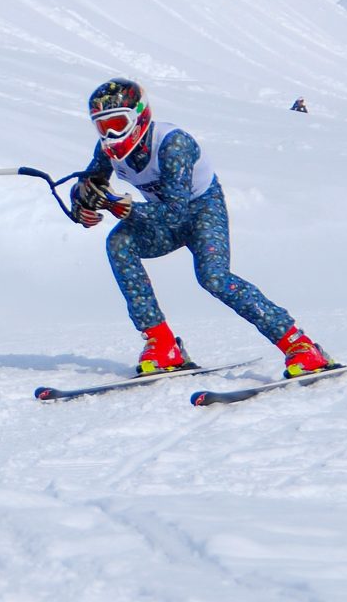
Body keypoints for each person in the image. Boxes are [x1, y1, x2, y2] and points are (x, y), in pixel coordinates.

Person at [69, 78, 332, 379]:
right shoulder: (106, 151)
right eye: (103, 127)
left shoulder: (173, 143)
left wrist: (122, 207)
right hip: (161, 217)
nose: (112, 135)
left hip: (201, 211)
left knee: (214, 278)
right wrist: (83, 205)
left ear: (139, 116)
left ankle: (300, 346)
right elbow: (91, 181)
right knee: (119, 244)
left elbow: (175, 210)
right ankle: (162, 343)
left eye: (118, 123)